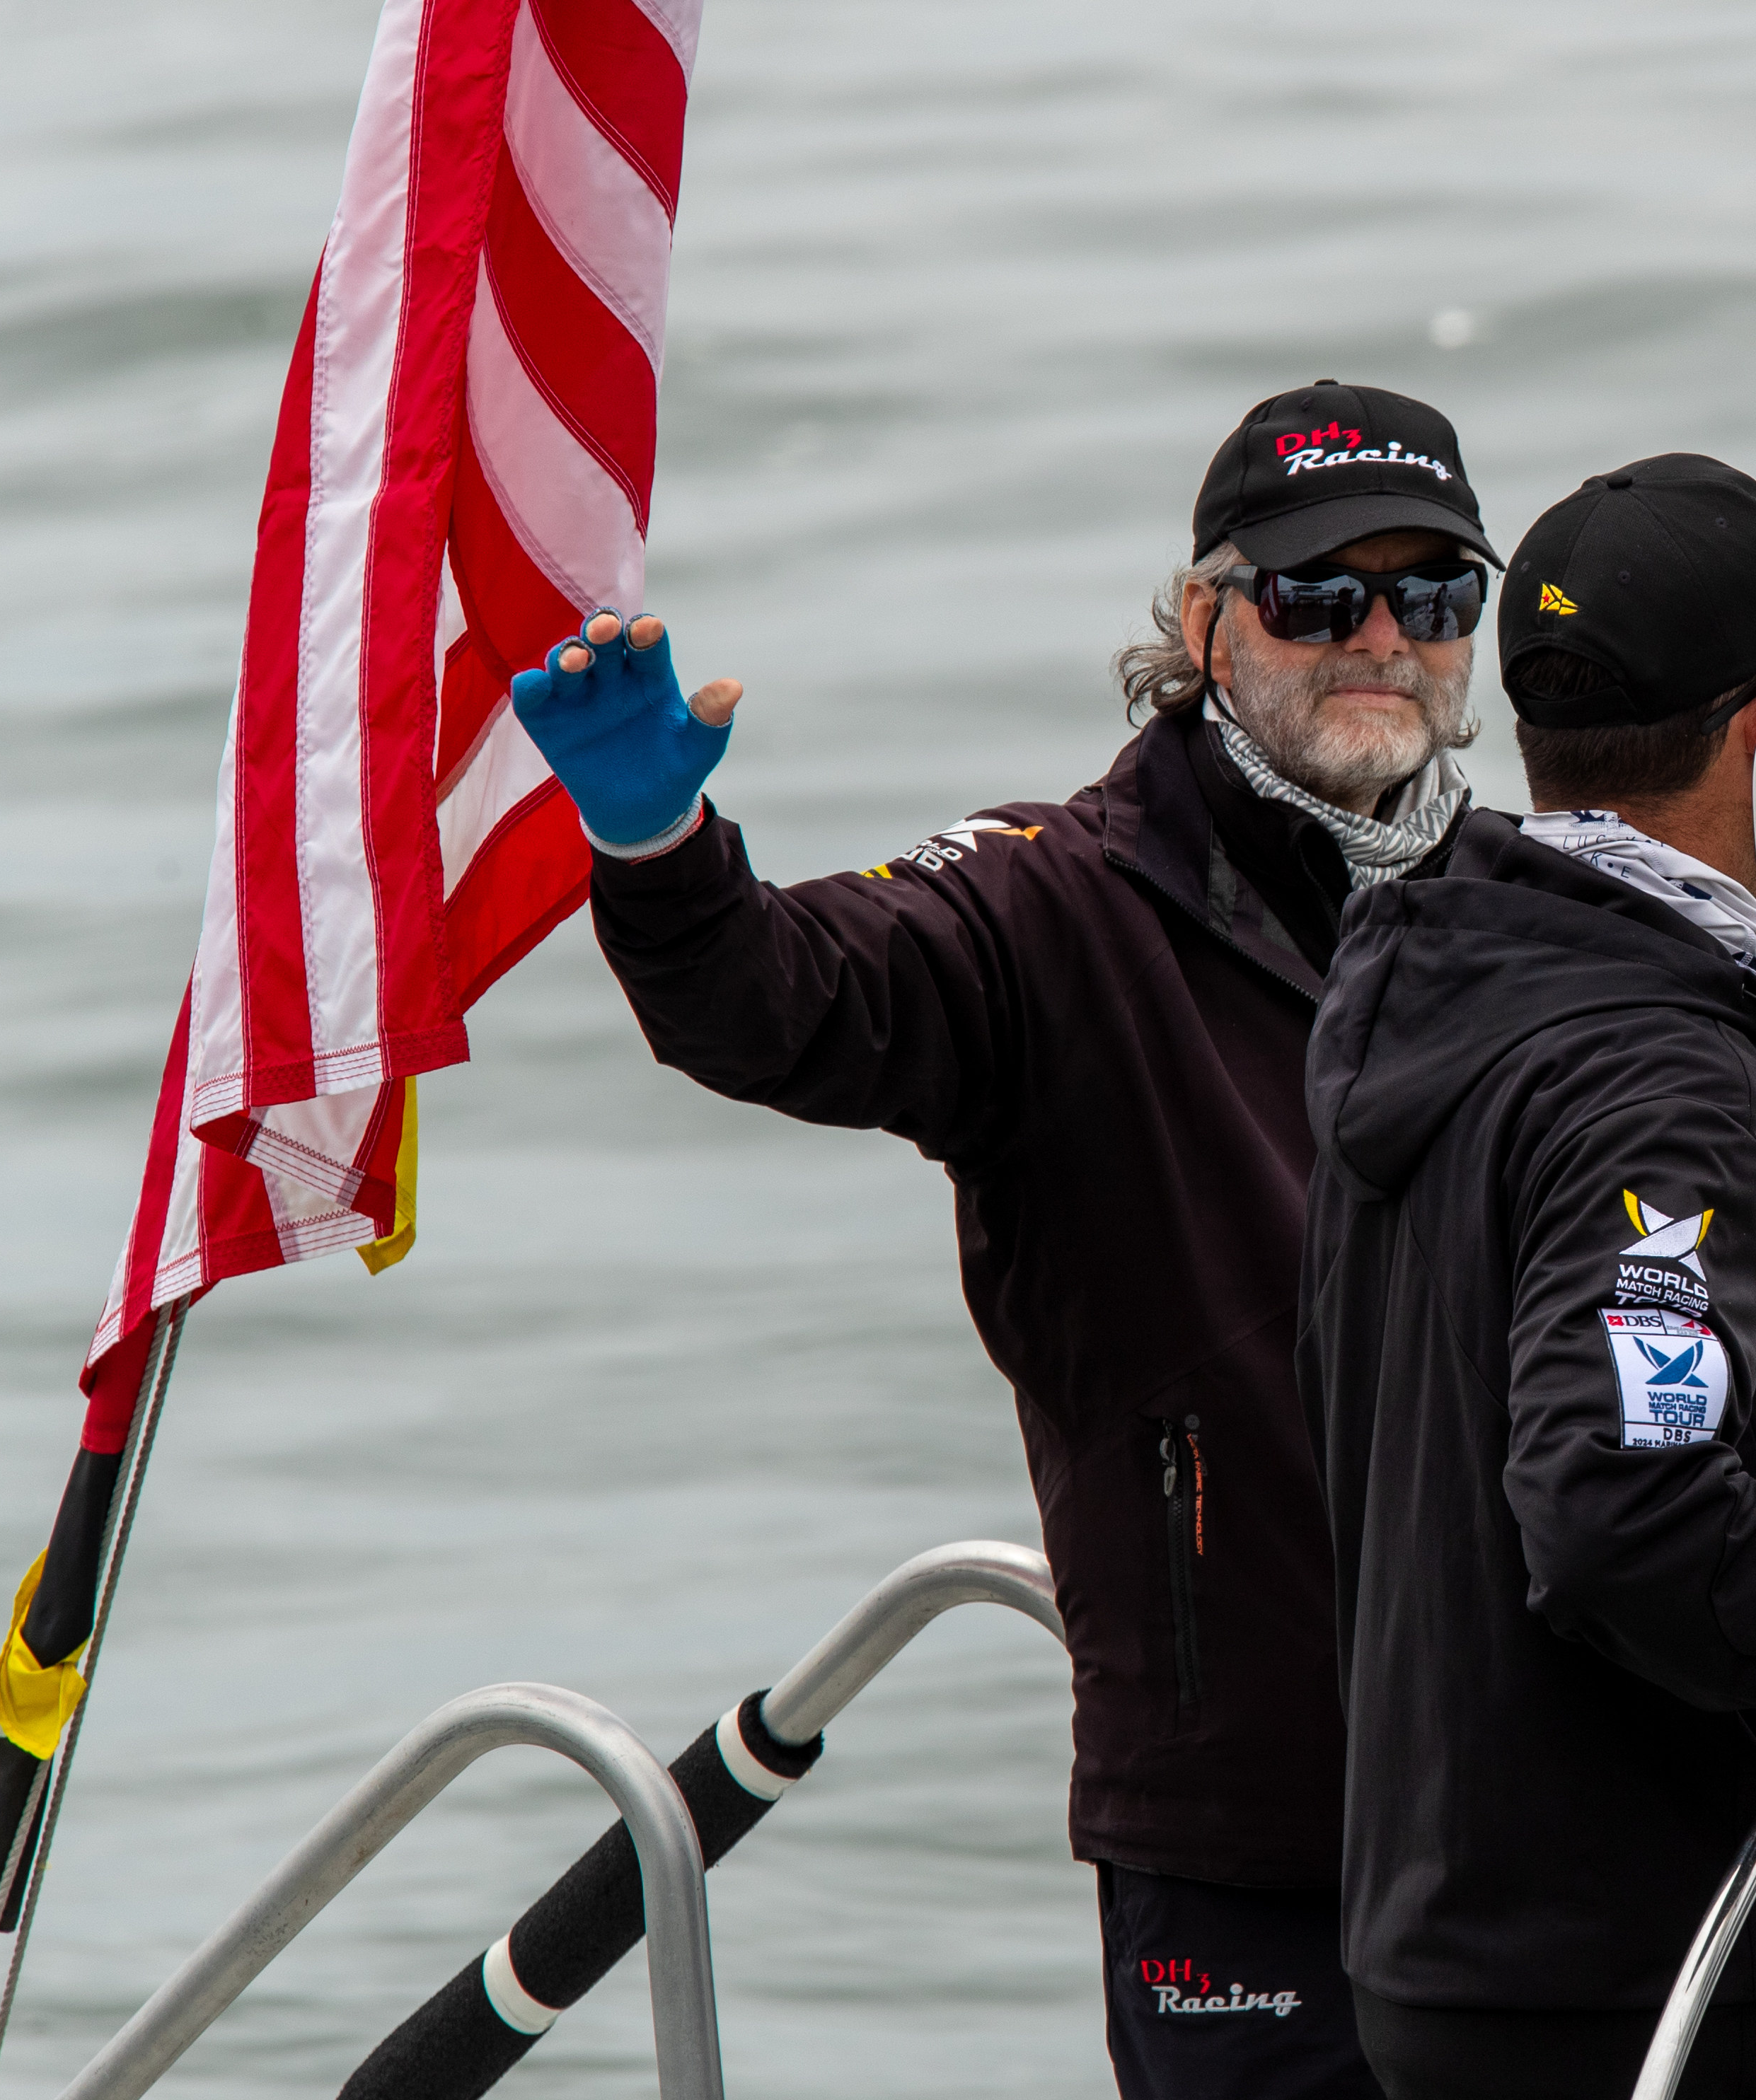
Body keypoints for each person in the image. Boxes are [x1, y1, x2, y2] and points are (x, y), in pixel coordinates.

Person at [504, 382, 1501, 2100]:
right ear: (1203, 622)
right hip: (1249, 1839)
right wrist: (657, 847)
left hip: (1543, 1808)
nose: (1381, 639)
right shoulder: (1056, 905)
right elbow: (781, 1004)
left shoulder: (1518, 912)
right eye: (1320, 595)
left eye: (1433, 597)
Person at [1295, 454, 1756, 2100]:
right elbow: (1625, 1511)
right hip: (1663, 1982)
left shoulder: (1437, 992)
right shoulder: (1658, 1089)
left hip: (1453, 1954)